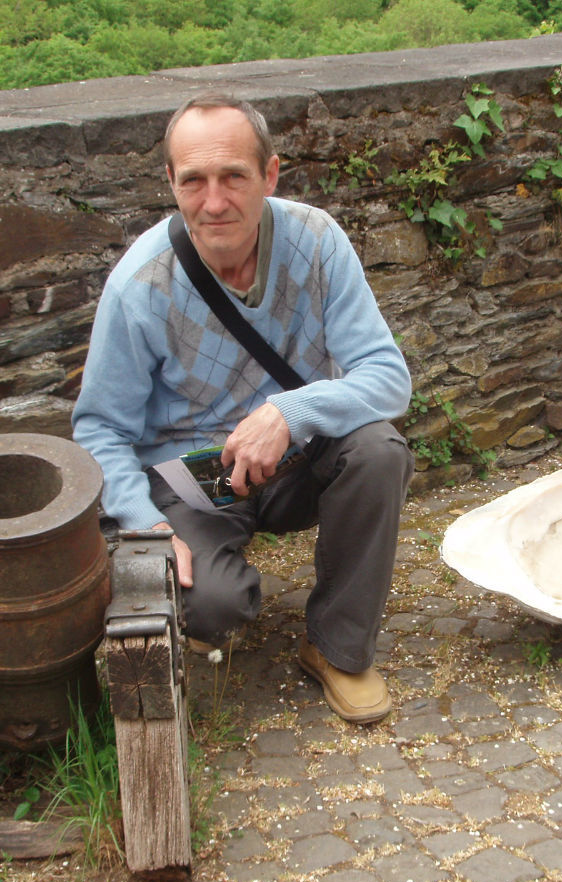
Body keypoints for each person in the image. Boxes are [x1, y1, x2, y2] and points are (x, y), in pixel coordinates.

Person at [72, 94, 413, 724]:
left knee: (378, 451)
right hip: (192, 478)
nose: (215, 201)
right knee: (210, 607)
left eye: (234, 176)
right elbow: (99, 427)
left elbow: (388, 378)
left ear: (271, 175)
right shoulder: (139, 284)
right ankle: (215, 582)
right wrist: (144, 526)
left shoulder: (317, 242)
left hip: (295, 457)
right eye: (194, 181)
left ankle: (337, 647)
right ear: (170, 183)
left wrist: (289, 412)